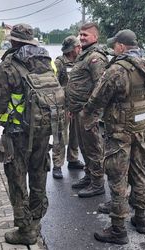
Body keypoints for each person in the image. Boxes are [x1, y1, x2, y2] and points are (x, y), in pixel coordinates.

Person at [0, 23, 60, 245]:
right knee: (39, 176)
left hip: (17, 134)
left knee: (17, 179)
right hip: (43, 131)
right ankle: (36, 222)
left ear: (13, 41)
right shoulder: (48, 63)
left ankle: (25, 230)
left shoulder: (9, 65)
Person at [84, 29, 145, 245]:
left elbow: (97, 99)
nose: (114, 48)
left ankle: (117, 230)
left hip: (120, 131)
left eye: (115, 44)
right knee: (139, 172)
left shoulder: (117, 69)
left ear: (122, 46)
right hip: (141, 128)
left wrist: (88, 115)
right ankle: (141, 219)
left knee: (117, 178)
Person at [66, 22, 108, 198]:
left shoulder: (95, 57)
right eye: (80, 34)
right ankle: (90, 176)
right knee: (83, 147)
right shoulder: (84, 55)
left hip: (88, 112)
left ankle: (98, 183)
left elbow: (101, 86)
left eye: (86, 35)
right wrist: (72, 107)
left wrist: (90, 109)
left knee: (93, 148)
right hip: (77, 110)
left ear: (95, 37)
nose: (82, 37)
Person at [52, 35, 84, 179]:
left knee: (75, 134)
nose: (80, 48)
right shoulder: (59, 63)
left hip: (76, 105)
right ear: (71, 49)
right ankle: (57, 165)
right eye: (78, 46)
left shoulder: (80, 61)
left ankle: (73, 159)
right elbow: (53, 86)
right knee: (60, 135)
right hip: (62, 107)